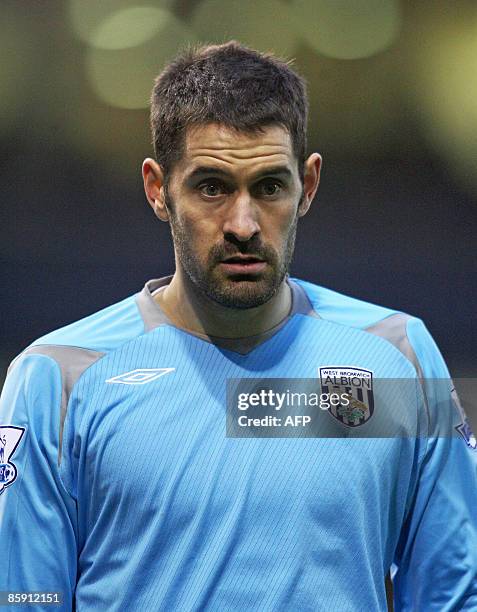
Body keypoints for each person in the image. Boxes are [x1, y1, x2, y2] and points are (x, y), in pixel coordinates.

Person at [0, 40, 476, 611]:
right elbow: (25, 599)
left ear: (309, 185)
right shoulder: (58, 379)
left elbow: (453, 593)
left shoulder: (395, 356)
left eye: (270, 186)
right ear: (158, 189)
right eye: (212, 188)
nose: (243, 224)